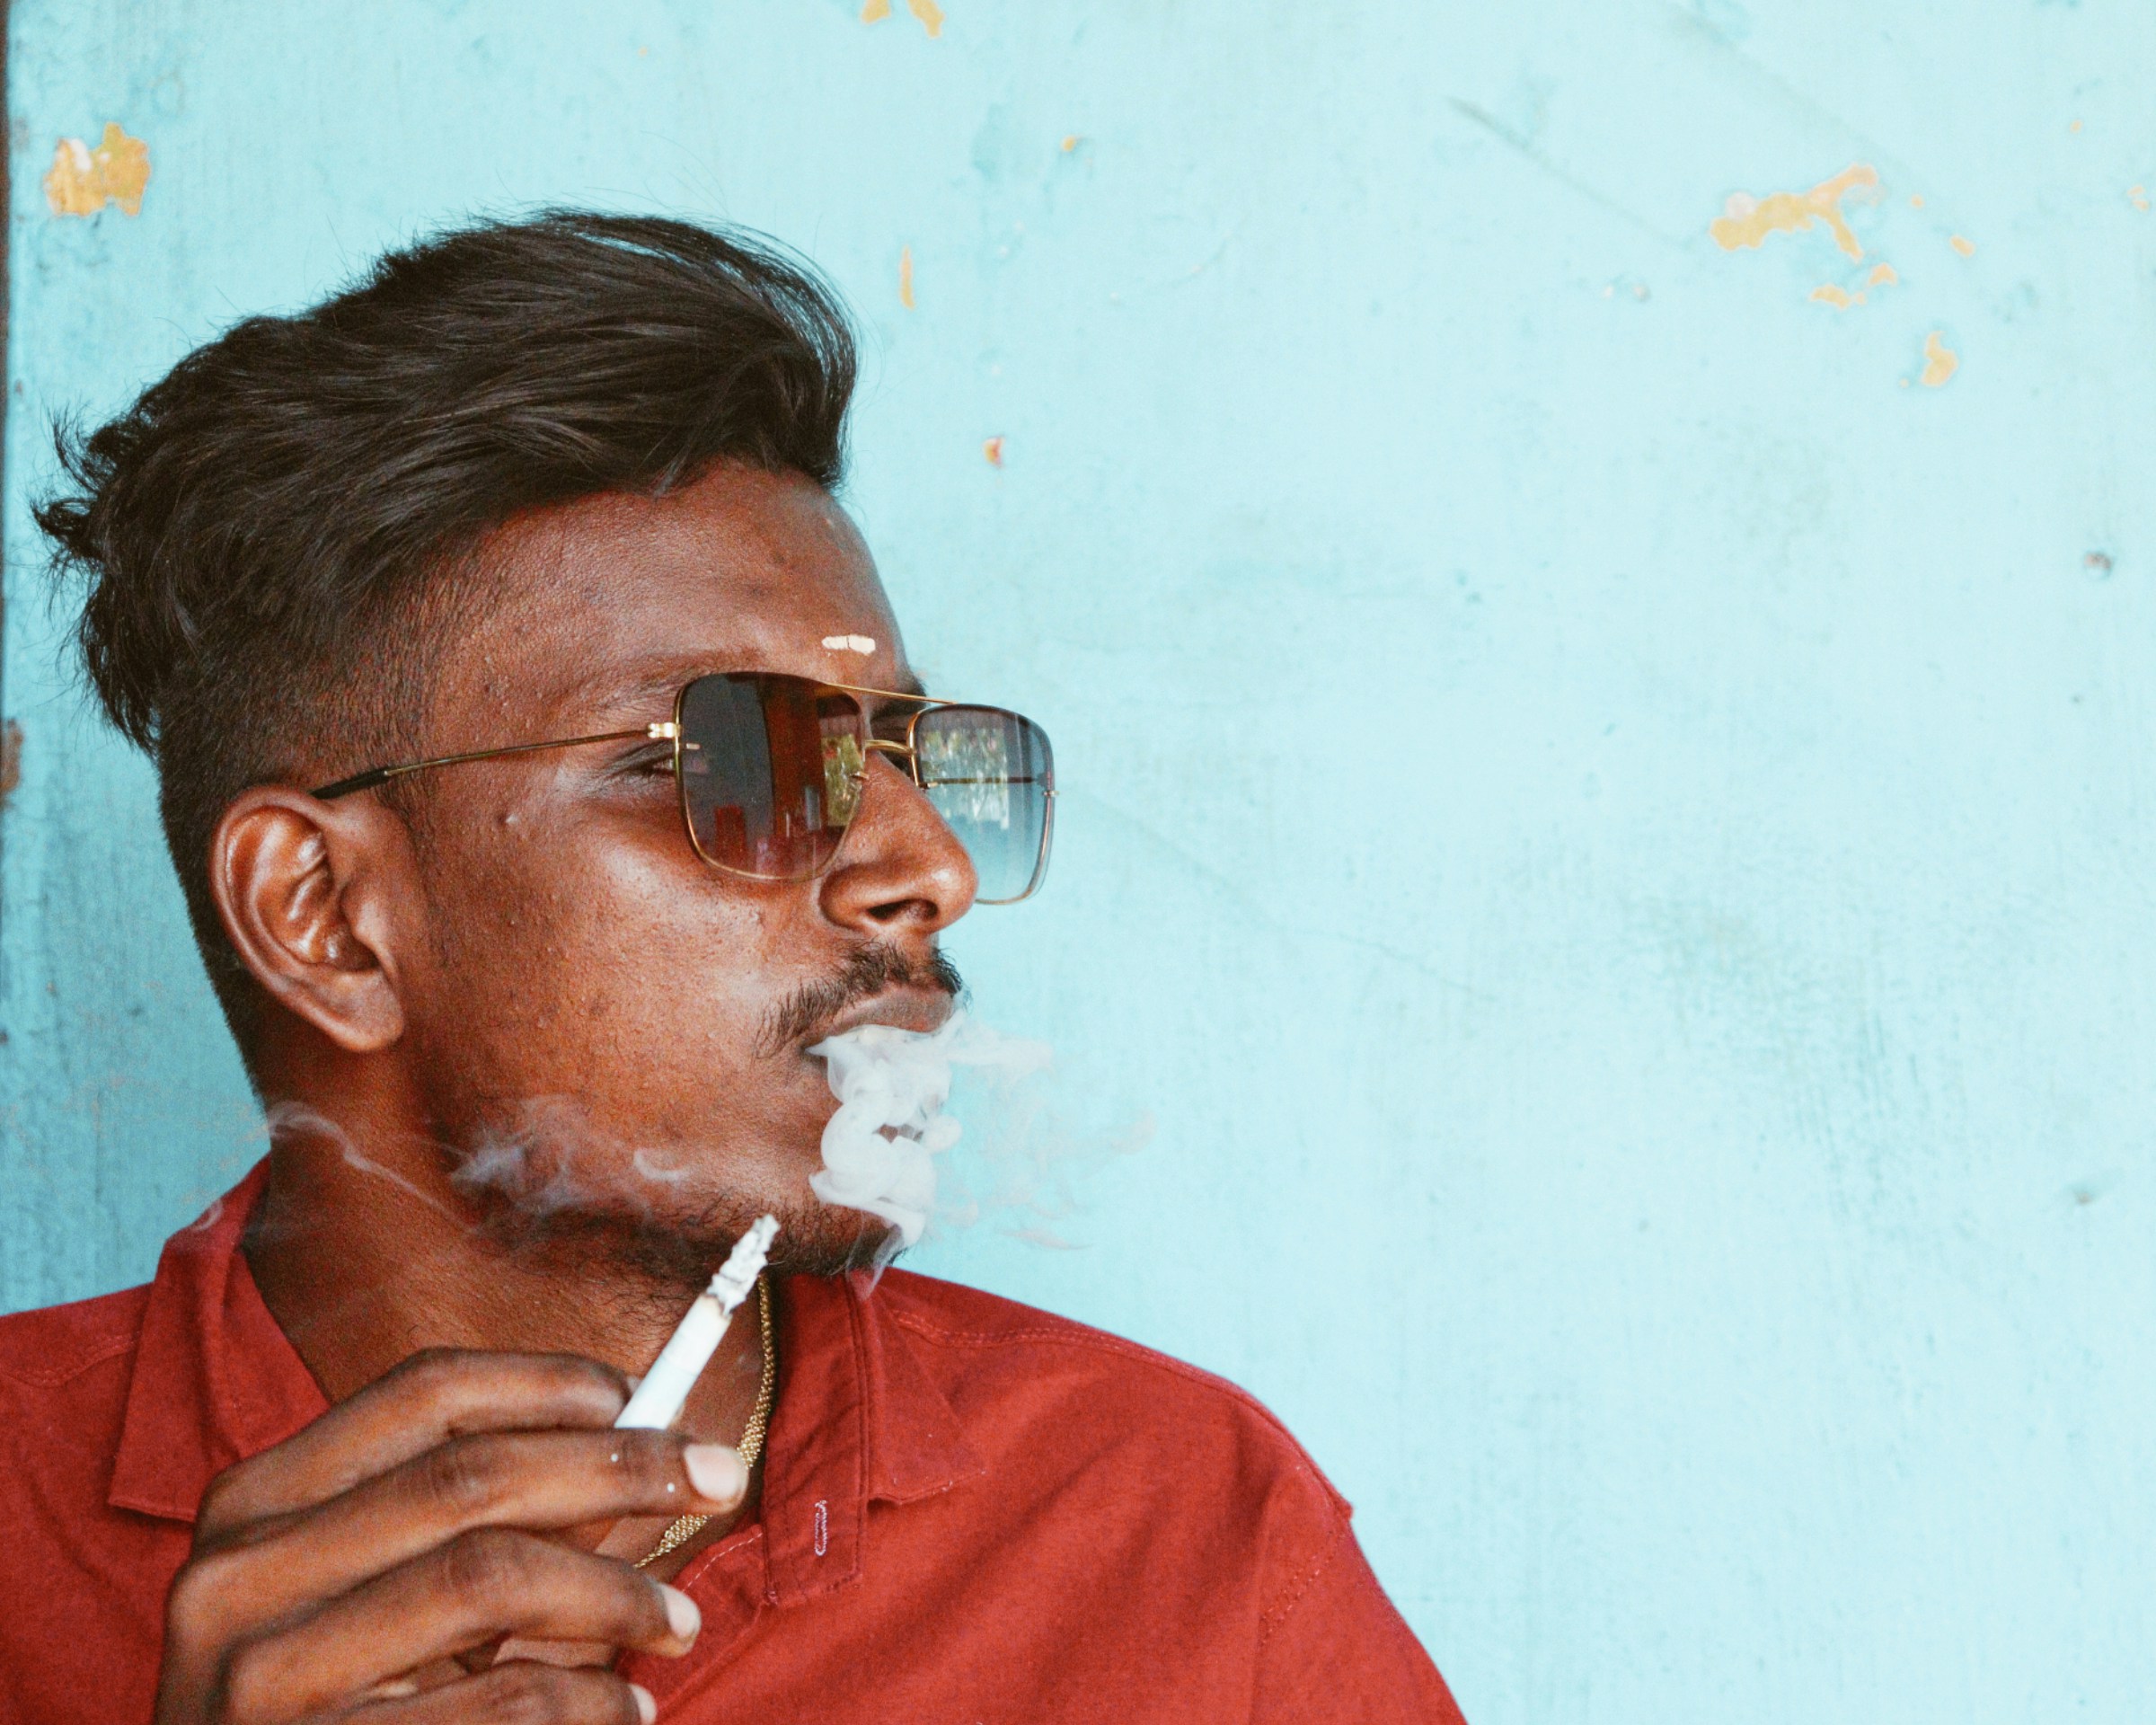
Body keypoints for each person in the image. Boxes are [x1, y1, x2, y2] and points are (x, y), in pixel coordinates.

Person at [0, 213, 1462, 1724]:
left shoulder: (1177, 1529)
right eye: (745, 760)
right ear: (322, 912)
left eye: (912, 756)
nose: (928, 866)